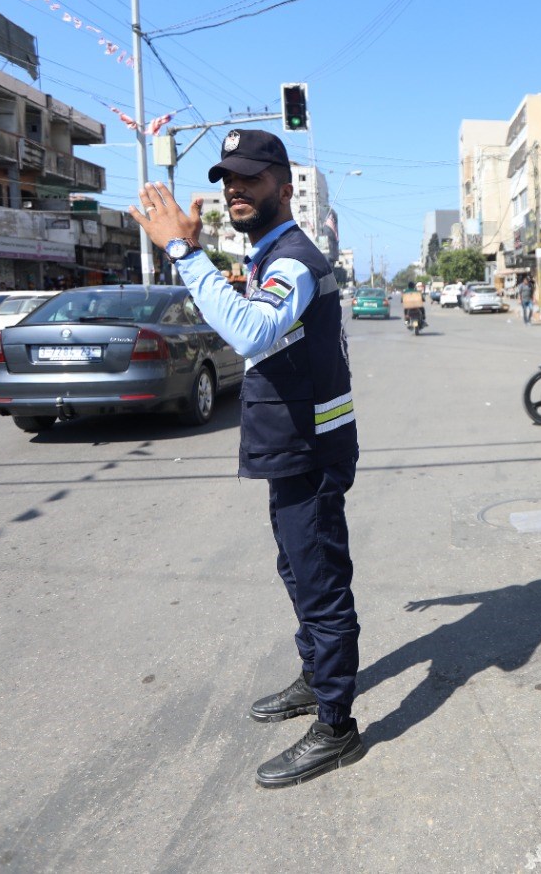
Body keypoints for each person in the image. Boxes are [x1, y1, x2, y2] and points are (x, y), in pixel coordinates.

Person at [129, 129, 363, 789]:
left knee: (321, 585)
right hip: (290, 446)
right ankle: (316, 678)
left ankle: (337, 727)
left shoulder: (292, 260)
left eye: (250, 178)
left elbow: (250, 331)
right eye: (228, 179)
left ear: (284, 188)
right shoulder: (268, 256)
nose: (235, 189)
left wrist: (183, 251)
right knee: (296, 569)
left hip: (309, 451)